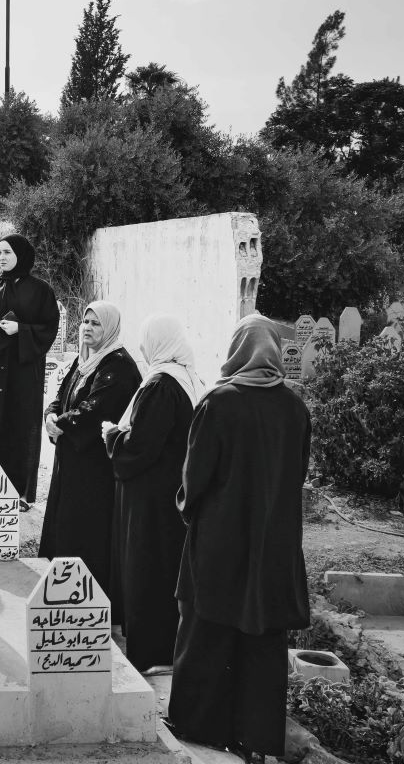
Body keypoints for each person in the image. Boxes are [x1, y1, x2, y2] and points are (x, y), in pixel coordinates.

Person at [167, 315, 311, 763]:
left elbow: (195, 479)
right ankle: (257, 737)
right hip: (275, 543)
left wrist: (187, 509)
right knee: (263, 638)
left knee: (206, 629)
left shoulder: (218, 403)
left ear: (237, 349)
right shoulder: (295, 408)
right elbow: (298, 475)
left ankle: (198, 725)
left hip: (220, 540)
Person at [101, 315, 207, 673]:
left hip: (150, 497)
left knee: (146, 570)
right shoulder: (189, 378)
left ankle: (150, 654)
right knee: (165, 570)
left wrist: (113, 436)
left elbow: (141, 445)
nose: (143, 347)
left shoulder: (161, 384)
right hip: (173, 491)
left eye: (146, 340)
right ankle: (165, 648)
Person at [39, 301, 140, 601]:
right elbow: (62, 395)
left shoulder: (118, 366)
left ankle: (84, 601)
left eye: (96, 324)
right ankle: (60, 593)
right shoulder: (86, 360)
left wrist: (62, 424)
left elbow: (96, 410)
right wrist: (50, 416)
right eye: (85, 322)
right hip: (71, 461)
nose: (87, 328)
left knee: (86, 533)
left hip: (94, 468)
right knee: (65, 527)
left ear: (108, 328)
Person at [0, 234, 60, 502]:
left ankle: (19, 491)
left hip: (22, 371)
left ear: (21, 254)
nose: (2, 257)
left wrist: (22, 330)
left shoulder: (41, 290)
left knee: (19, 426)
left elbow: (49, 329)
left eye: (7, 252)